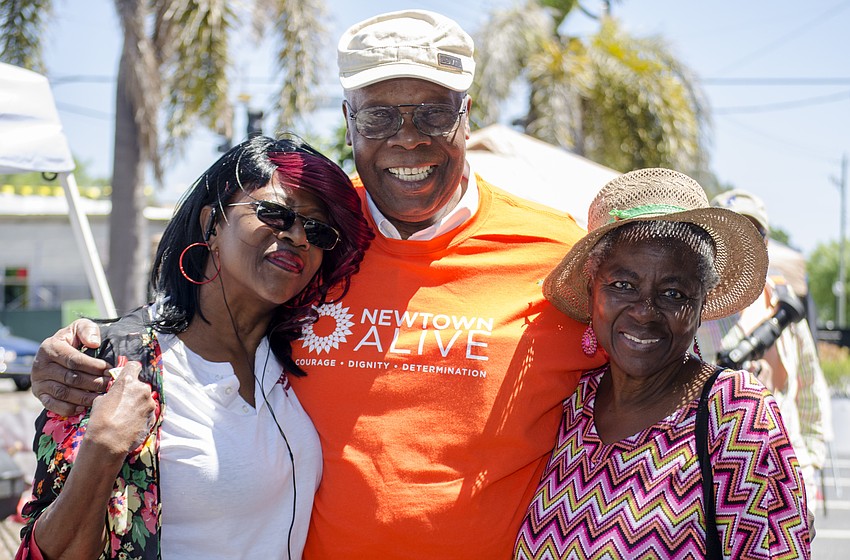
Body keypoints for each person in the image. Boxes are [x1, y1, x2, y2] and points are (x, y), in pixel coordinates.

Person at [26, 10, 605, 558]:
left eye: (433, 111)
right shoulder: (329, 230)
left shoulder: (557, 253)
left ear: (467, 114)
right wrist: (96, 346)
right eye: (379, 115)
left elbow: (639, 372)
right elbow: (211, 310)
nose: (408, 138)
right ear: (350, 119)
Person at [17, 135, 373, 560]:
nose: (298, 236)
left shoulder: (304, 354)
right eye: (275, 214)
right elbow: (51, 551)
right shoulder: (116, 361)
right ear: (212, 223)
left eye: (317, 229)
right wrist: (103, 447)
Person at [514, 168, 810, 559]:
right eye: (622, 285)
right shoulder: (573, 403)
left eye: (673, 292)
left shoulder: (737, 416)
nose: (645, 312)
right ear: (591, 291)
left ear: (702, 303)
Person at [699, 188, 833, 509]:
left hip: (785, 486)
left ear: (766, 244)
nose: (742, 242)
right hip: (714, 483)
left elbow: (810, 396)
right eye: (731, 230)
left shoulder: (782, 309)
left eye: (753, 233)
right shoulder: (692, 309)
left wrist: (808, 472)